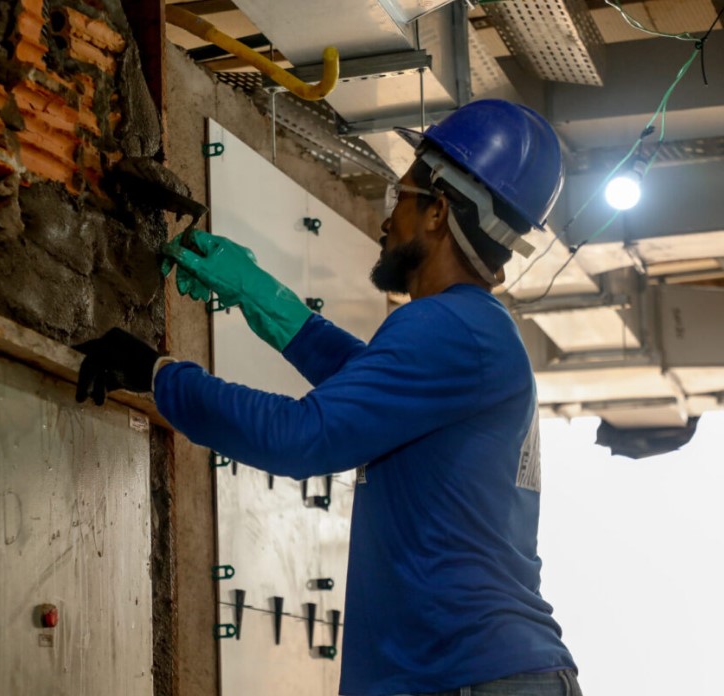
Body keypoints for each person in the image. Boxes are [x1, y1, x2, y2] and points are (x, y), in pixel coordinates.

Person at [74, 99, 581, 696]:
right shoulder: (474, 332)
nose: (387, 220)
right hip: (473, 675)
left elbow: (304, 436)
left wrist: (159, 374)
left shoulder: (452, 327)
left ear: (438, 212)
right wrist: (261, 296)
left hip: (472, 677)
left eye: (403, 198)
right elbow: (369, 383)